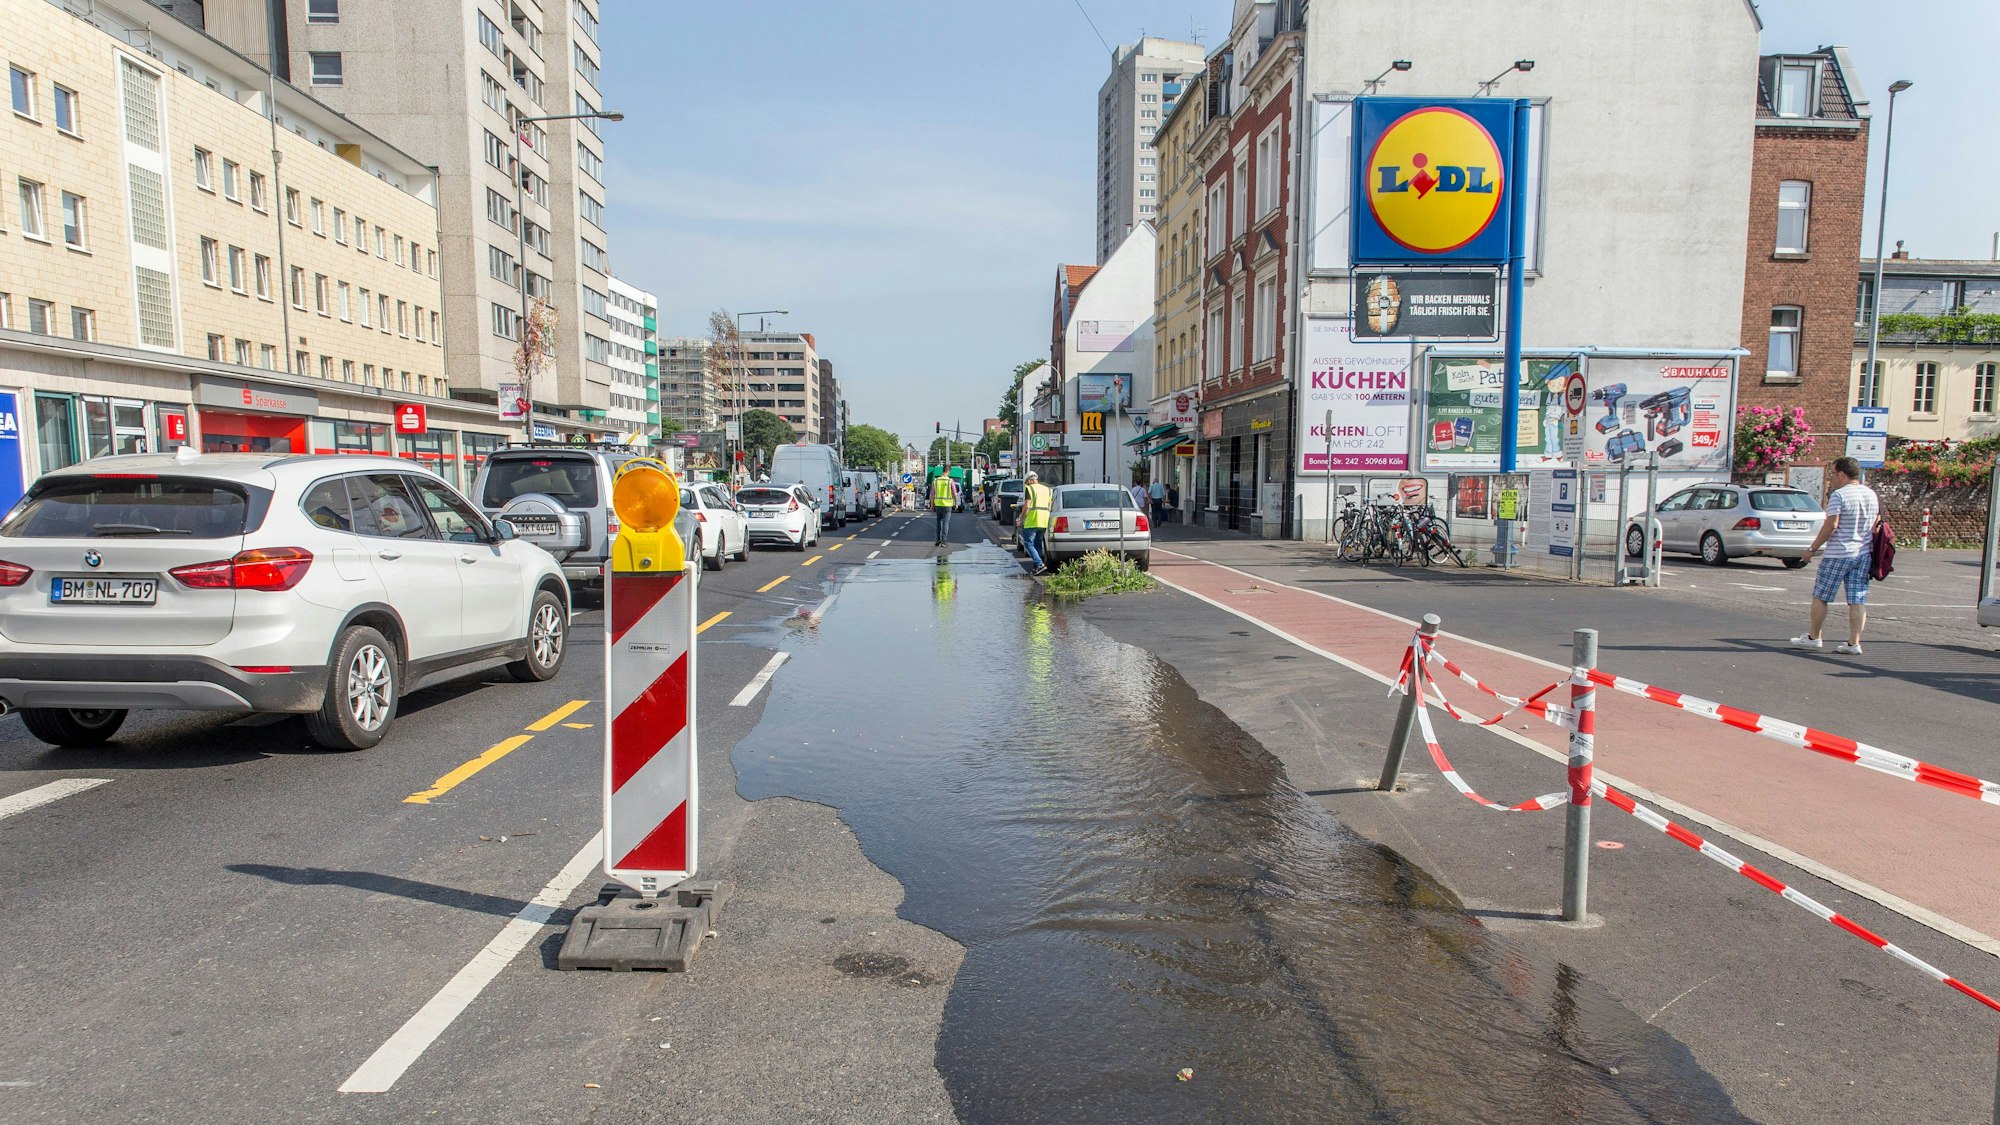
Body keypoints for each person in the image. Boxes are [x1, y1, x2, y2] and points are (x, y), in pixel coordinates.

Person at [1792, 456, 1881, 655]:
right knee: (1858, 599)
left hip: (1838, 553)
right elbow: (1876, 522)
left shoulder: (1839, 495)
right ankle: (1854, 642)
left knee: (1821, 596)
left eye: (1833, 473)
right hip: (1863, 553)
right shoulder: (1871, 494)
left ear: (1842, 474)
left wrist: (1812, 549)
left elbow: (1831, 526)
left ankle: (1814, 637)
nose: (1832, 477)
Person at [1020, 470, 1053, 574]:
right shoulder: (1047, 490)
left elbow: (1027, 506)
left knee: (1028, 543)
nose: (1026, 484)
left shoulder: (1029, 489)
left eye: (1026, 482)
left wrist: (1021, 518)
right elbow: (1049, 505)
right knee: (1038, 543)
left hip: (1033, 520)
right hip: (1044, 520)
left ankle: (1039, 563)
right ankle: (1037, 568)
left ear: (1029, 481)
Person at [931, 471, 959, 545]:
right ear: (948, 472)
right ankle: (944, 541)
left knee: (938, 522)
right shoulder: (950, 481)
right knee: (945, 523)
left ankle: (937, 540)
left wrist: (931, 505)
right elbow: (955, 493)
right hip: (947, 505)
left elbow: (932, 494)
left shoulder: (936, 481)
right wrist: (956, 504)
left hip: (938, 504)